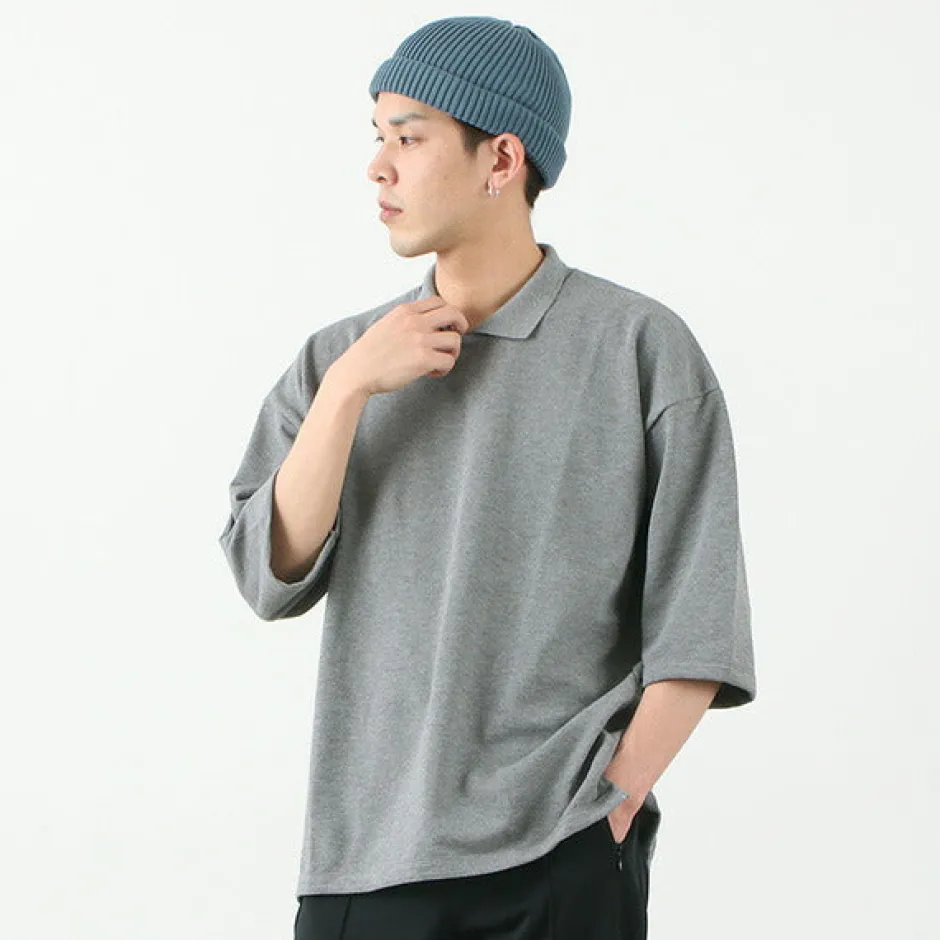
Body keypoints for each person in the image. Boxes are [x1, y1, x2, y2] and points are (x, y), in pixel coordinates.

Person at [218, 15, 757, 940]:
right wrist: (348, 391)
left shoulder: (639, 349)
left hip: (561, 857)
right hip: (365, 859)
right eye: (377, 137)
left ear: (502, 159)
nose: (377, 167)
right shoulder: (340, 358)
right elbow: (269, 573)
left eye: (409, 137)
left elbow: (698, 624)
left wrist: (614, 803)